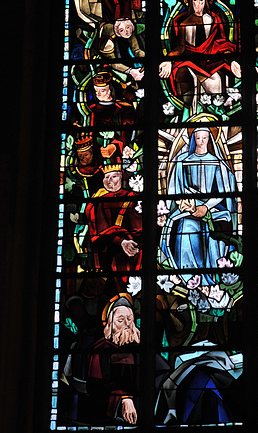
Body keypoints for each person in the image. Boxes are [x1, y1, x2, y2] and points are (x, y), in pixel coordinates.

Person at [160, 127, 238, 280]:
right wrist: (187, 205)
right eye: (198, 138)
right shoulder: (182, 161)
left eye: (205, 138)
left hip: (213, 210)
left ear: (210, 139)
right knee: (187, 228)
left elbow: (223, 192)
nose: (201, 141)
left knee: (215, 234)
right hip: (187, 209)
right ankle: (189, 277)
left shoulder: (217, 162)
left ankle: (214, 277)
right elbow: (175, 189)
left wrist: (205, 207)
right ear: (192, 140)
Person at [159, 0, 241, 111]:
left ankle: (217, 111)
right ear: (191, 3)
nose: (198, 4)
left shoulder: (213, 20)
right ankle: (196, 112)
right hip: (190, 58)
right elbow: (180, 47)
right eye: (195, 1)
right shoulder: (184, 23)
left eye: (201, 1)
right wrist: (168, 60)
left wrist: (231, 60)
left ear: (206, 2)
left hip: (210, 58)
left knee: (219, 79)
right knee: (213, 81)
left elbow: (220, 44)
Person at [85, 163, 142, 292]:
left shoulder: (134, 198)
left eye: (114, 176)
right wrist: (120, 241)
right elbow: (99, 233)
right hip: (108, 254)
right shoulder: (98, 201)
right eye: (106, 177)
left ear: (122, 178)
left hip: (133, 252)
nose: (109, 181)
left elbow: (140, 229)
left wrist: (130, 241)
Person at [87, 295, 140, 424]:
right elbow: (96, 388)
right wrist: (124, 398)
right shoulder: (100, 349)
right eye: (121, 320)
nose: (127, 324)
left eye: (129, 319)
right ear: (110, 323)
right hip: (109, 413)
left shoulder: (141, 350)